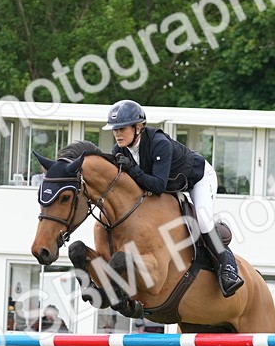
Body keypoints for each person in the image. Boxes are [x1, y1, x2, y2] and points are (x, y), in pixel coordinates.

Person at [103, 99, 243, 297]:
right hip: (171, 185)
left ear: (138, 127)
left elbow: (158, 186)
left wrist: (132, 169)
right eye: (114, 129)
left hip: (197, 180)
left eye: (122, 129)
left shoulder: (159, 144)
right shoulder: (119, 150)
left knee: (203, 221)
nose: (117, 134)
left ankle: (227, 269)